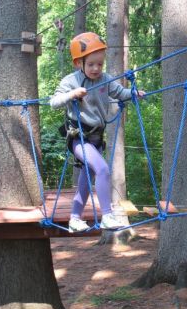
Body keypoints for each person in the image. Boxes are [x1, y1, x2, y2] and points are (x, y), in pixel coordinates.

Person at [50, 32, 144, 233]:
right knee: (102, 169)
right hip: (79, 138)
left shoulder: (106, 80)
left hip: (95, 139)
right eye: (91, 64)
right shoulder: (71, 81)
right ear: (79, 63)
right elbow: (54, 102)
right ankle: (107, 216)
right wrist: (72, 94)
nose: (96, 69)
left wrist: (133, 94)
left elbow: (120, 93)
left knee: (85, 180)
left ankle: (75, 218)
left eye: (100, 64)